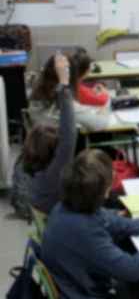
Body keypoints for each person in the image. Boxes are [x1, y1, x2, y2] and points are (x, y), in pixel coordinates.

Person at [42, 149, 139, 298]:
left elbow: (114, 221)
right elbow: (131, 270)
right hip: (87, 293)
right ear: (101, 192)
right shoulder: (86, 231)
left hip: (77, 282)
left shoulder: (70, 204)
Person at [24, 54, 76, 214]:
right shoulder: (55, 172)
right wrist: (65, 85)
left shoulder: (33, 173)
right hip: (64, 221)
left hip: (50, 218)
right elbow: (68, 138)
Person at [30, 54, 109, 131]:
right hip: (63, 143)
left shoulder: (35, 99)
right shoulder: (67, 105)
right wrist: (105, 108)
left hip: (41, 142)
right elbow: (100, 124)